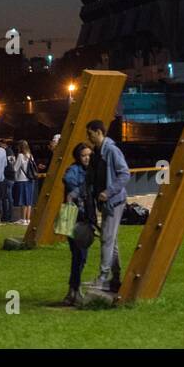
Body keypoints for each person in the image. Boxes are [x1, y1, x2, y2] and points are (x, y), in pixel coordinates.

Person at [86, 120, 130, 294]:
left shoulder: (110, 150)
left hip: (113, 201)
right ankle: (116, 278)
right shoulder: (99, 151)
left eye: (90, 133)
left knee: (107, 239)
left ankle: (104, 278)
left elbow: (125, 173)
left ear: (98, 132)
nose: (88, 137)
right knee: (111, 239)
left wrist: (108, 192)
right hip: (109, 201)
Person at [61, 142, 95, 305]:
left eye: (89, 155)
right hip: (75, 218)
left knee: (80, 256)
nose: (87, 158)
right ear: (78, 157)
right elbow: (68, 180)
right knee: (80, 255)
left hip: (84, 218)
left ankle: (72, 290)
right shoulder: (74, 171)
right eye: (84, 155)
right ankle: (74, 290)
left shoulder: (89, 171)